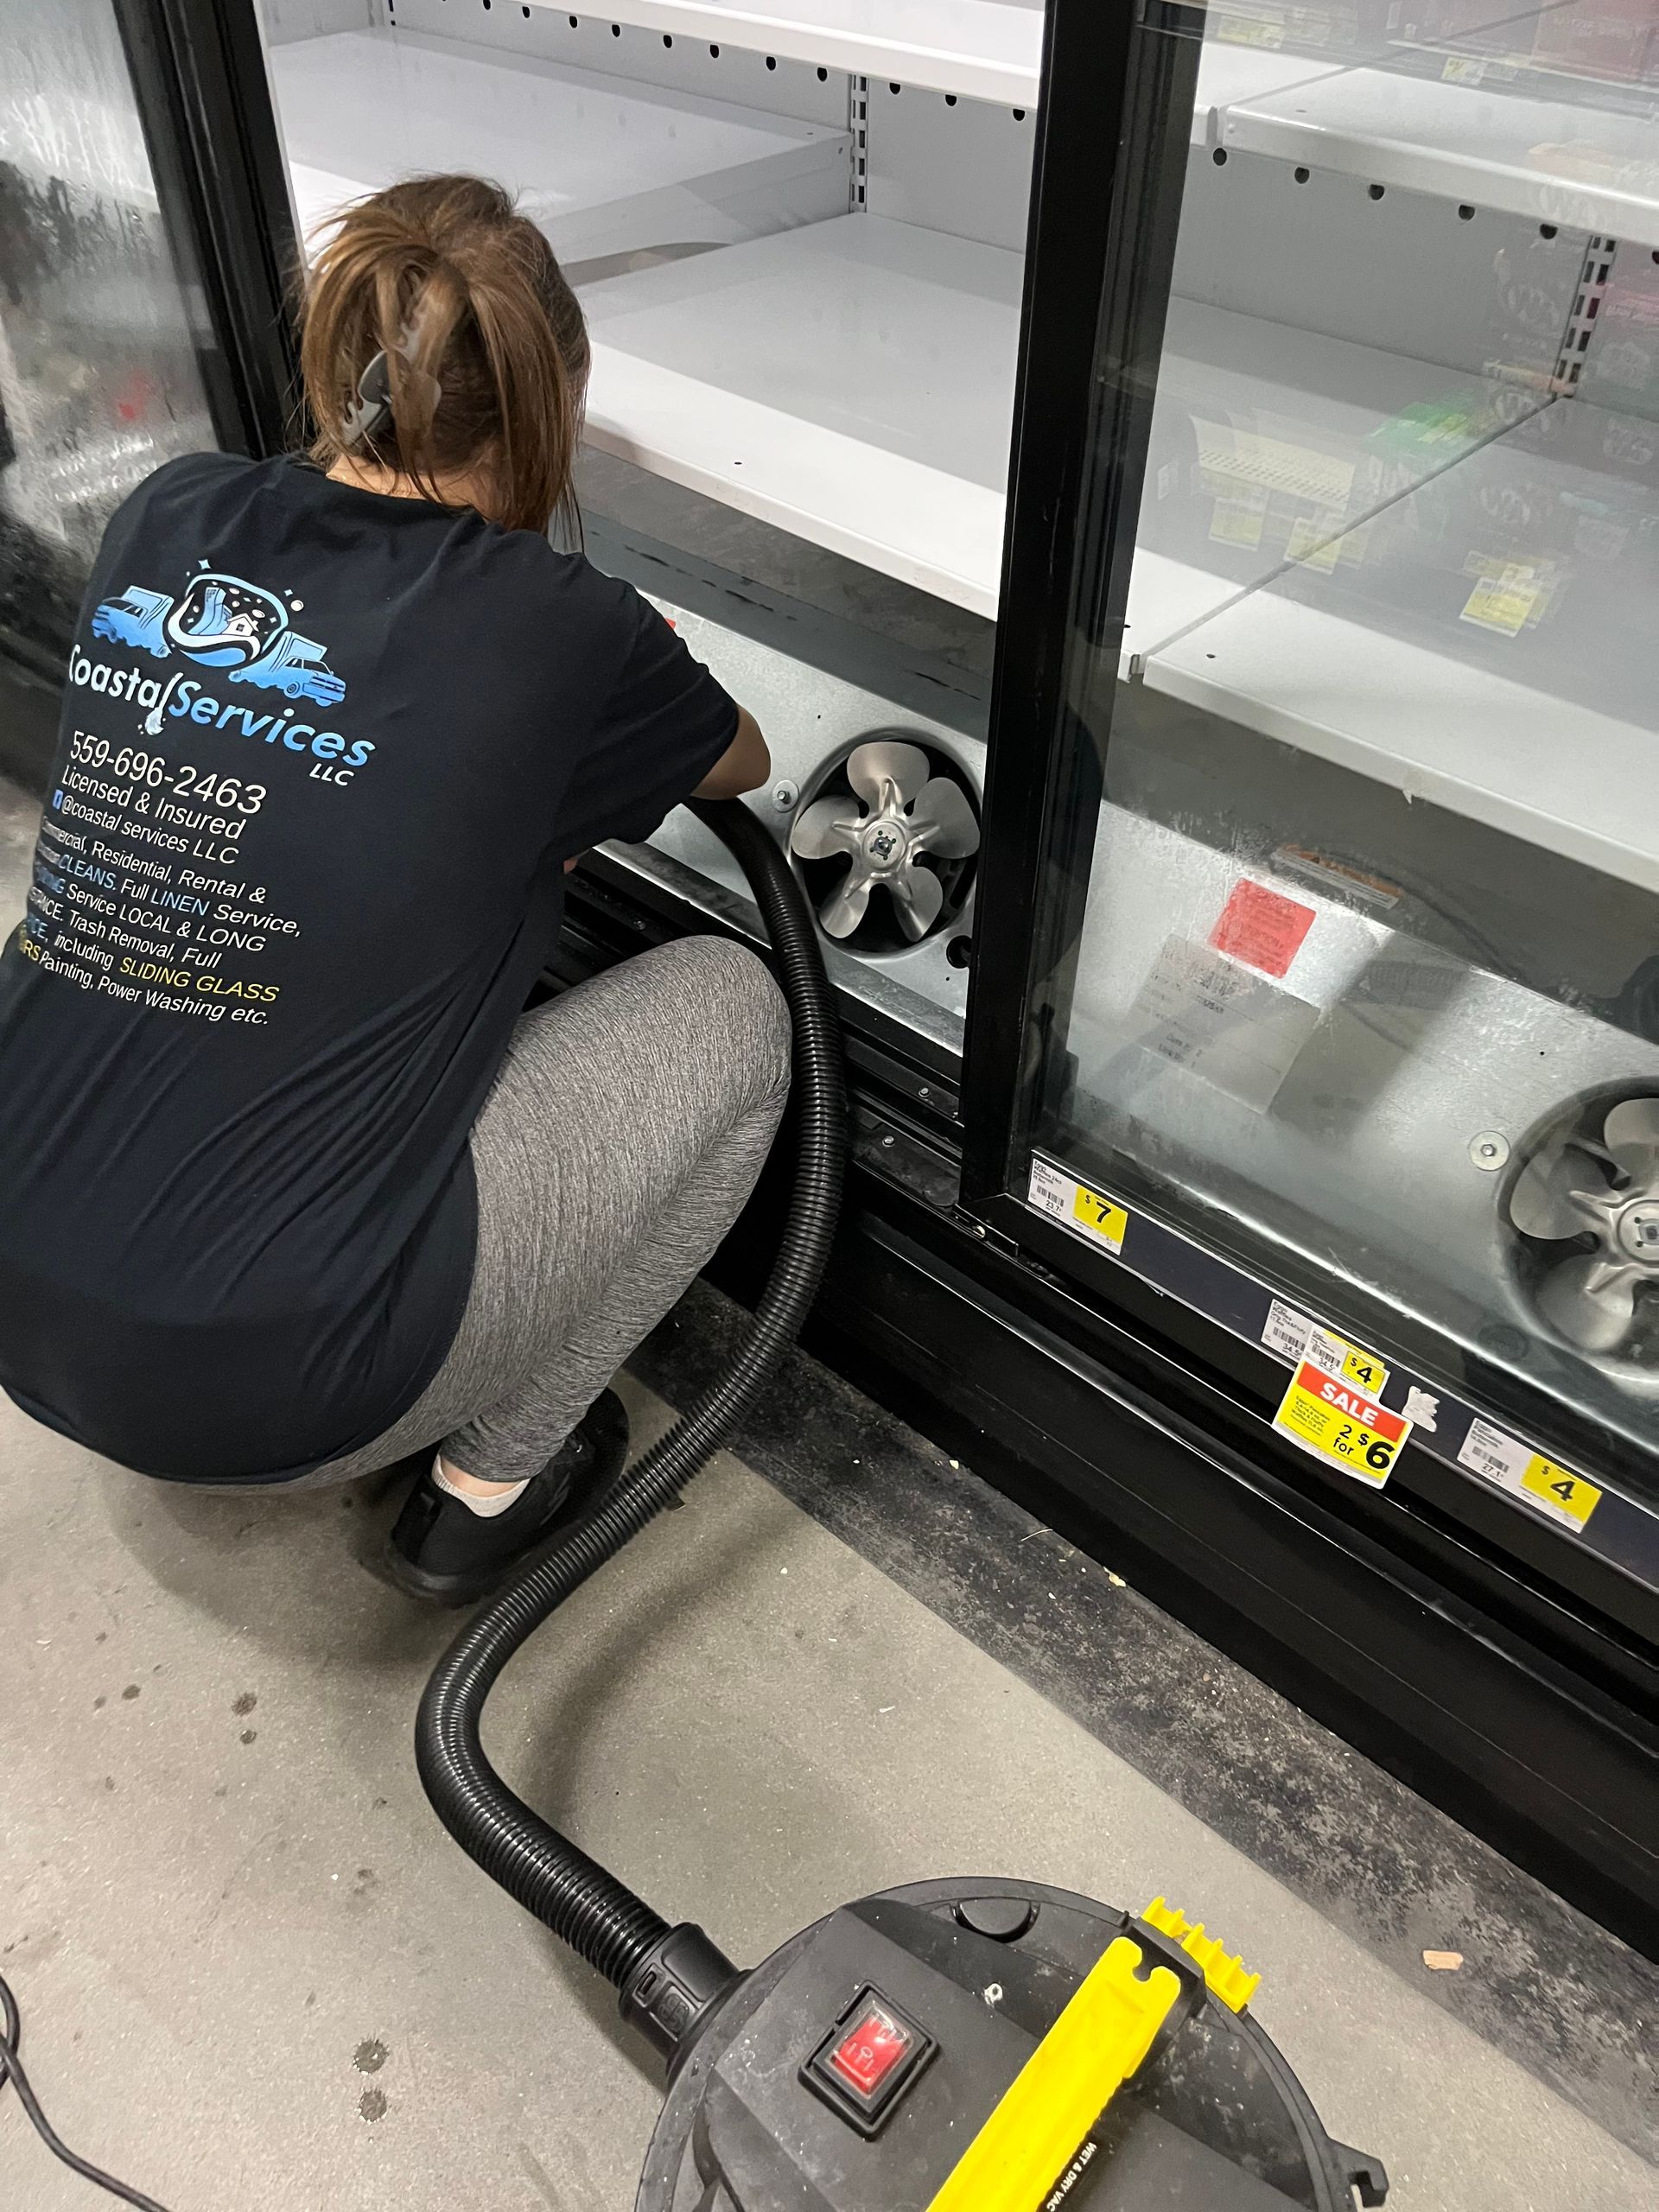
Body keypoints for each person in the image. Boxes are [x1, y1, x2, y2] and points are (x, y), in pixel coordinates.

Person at [0, 175, 791, 1603]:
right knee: (741, 1011)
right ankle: (490, 1490)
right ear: (553, 407)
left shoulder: (165, 513)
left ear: (332, 359)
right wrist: (623, 677)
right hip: (258, 1379)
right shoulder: (564, 630)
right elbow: (741, 762)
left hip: (19, 1269)